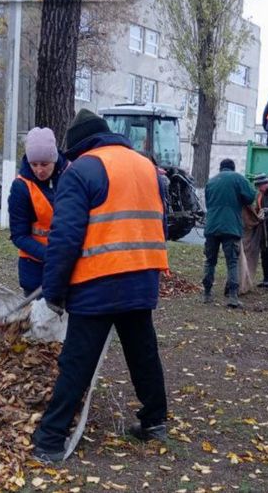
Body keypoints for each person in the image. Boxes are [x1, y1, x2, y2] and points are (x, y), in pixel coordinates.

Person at [31, 109, 169, 463]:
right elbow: (159, 222)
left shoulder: (82, 170)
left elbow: (65, 238)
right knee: (143, 353)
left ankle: (49, 440)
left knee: (77, 362)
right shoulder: (145, 167)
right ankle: (155, 421)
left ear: (77, 147)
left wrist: (54, 291)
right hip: (142, 276)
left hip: (99, 282)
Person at [8, 127, 68, 296]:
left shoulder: (70, 175)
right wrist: (51, 256)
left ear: (54, 159)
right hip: (35, 269)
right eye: (34, 164)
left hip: (68, 267)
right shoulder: (21, 187)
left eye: (44, 164)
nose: (39, 170)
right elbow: (19, 235)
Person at [202, 158, 257, 307]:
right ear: (233, 168)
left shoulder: (211, 181)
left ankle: (207, 293)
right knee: (232, 262)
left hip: (212, 226)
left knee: (210, 261)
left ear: (220, 168)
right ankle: (233, 297)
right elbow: (251, 197)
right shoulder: (238, 178)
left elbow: (208, 203)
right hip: (231, 227)